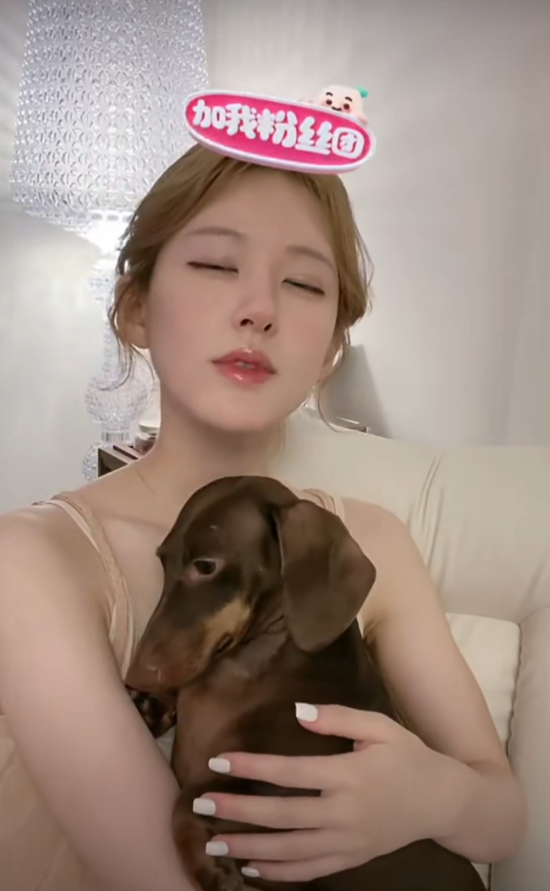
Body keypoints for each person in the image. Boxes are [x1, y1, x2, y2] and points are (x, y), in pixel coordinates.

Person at [0, 144, 526, 891]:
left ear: (332, 347)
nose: (260, 309)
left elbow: (501, 818)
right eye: (217, 265)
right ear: (136, 307)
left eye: (304, 283)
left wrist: (429, 797)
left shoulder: (372, 540)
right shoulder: (32, 560)